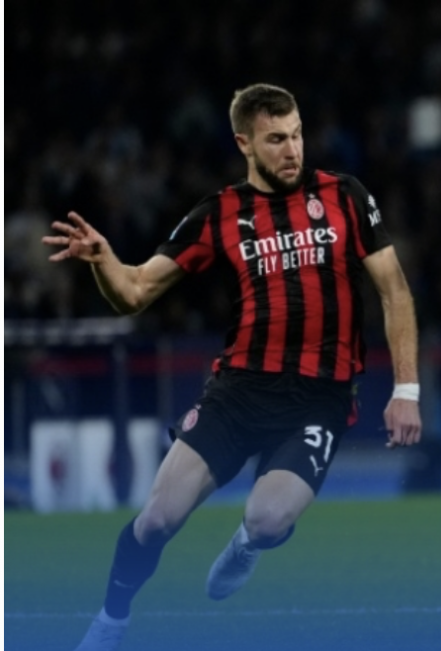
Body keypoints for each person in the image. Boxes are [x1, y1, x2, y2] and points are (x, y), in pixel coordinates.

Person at [44, 83, 422, 651]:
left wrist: (406, 389)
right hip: (238, 392)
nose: (293, 150)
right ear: (244, 143)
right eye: (276, 140)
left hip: (319, 397)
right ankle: (111, 618)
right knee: (156, 520)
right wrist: (105, 262)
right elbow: (136, 291)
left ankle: (246, 543)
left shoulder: (345, 195)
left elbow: (394, 290)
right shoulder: (219, 213)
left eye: (297, 135)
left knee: (268, 521)